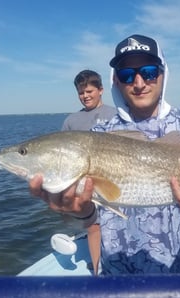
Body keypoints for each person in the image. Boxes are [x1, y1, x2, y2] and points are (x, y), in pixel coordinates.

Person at [29, 34, 180, 298]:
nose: (139, 82)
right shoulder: (99, 135)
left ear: (164, 73)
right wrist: (80, 212)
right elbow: (94, 217)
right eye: (127, 74)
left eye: (149, 72)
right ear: (116, 81)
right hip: (116, 290)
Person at [62, 70, 116, 275]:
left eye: (90, 91)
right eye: (81, 92)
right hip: (84, 183)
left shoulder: (116, 114)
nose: (86, 96)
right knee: (94, 226)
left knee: (117, 224)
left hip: (115, 179)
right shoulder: (71, 121)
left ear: (101, 90)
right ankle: (97, 271)